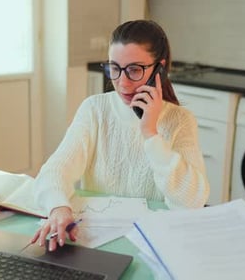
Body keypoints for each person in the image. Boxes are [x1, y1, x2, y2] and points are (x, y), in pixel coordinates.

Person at [31, 20, 210, 251]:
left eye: (134, 70)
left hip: (152, 246)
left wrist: (150, 133)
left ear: (159, 69)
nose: (122, 83)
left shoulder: (180, 121)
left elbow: (192, 202)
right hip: (96, 245)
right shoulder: (94, 109)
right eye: (114, 68)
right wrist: (58, 208)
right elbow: (54, 171)